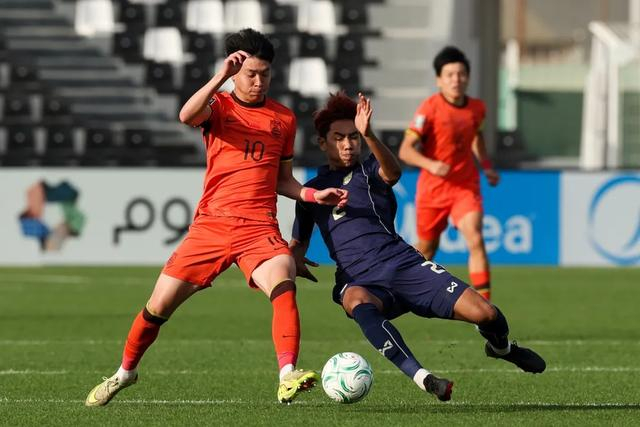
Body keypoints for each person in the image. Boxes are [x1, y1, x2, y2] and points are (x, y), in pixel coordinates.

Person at [85, 28, 348, 407]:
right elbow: (186, 114)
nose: (258, 82)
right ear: (236, 72)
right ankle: (125, 372)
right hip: (211, 226)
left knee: (284, 279)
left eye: (265, 74)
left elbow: (282, 180)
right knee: (157, 307)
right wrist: (220, 76)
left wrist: (311, 194)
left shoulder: (284, 119)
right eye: (251, 74)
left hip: (258, 228)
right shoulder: (220, 106)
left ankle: (287, 374)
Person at [290, 92, 545, 402]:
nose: (348, 144)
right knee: (354, 300)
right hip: (360, 279)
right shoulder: (312, 191)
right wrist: (294, 258)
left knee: (486, 314)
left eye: (353, 137)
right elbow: (299, 241)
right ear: (322, 142)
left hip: (404, 264)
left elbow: (393, 173)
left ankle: (501, 349)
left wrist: (369, 134)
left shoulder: (369, 170)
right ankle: (423, 377)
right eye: (339, 137)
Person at [398, 46, 499, 301]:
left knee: (475, 237)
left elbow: (476, 136)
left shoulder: (477, 108)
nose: (456, 79)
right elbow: (405, 151)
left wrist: (486, 166)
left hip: (465, 186)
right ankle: (396, 287)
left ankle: (486, 309)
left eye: (461, 74)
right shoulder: (429, 109)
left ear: (468, 77)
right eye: (450, 75)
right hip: (433, 190)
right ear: (439, 80)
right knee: (427, 249)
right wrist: (431, 164)